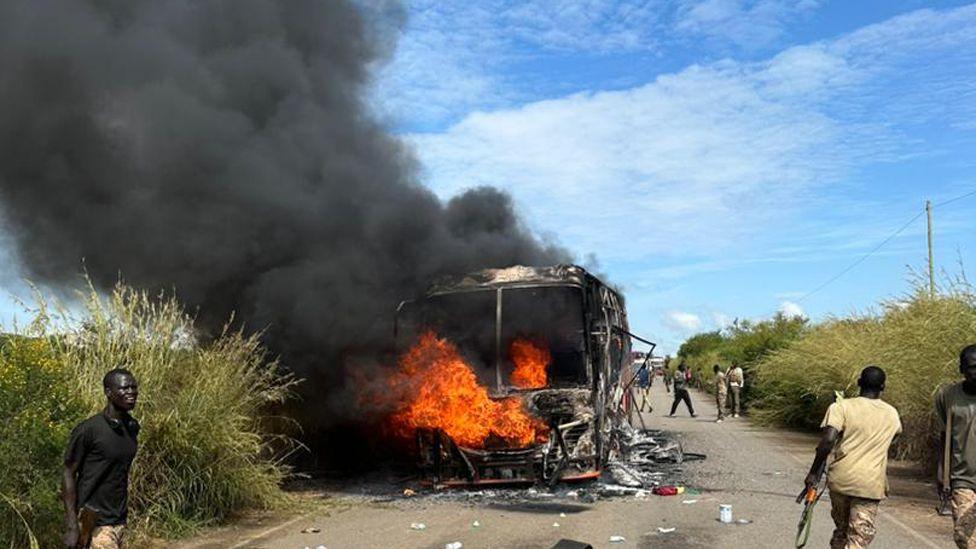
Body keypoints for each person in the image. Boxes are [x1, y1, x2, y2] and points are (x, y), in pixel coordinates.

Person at [799, 366, 901, 549]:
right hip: (870, 483)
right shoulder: (892, 414)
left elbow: (827, 441)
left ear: (859, 383)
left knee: (843, 530)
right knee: (858, 538)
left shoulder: (841, 407)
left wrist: (814, 473)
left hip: (841, 480)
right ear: (883, 387)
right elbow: (895, 437)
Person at [63, 368, 140, 549]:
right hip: (95, 522)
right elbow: (68, 472)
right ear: (108, 393)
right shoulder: (89, 430)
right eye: (124, 388)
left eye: (133, 387)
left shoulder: (132, 428)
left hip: (119, 520)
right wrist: (72, 526)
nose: (131, 392)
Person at [935, 344, 976, 548]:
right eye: (972, 367)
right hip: (963, 479)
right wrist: (942, 473)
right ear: (962, 368)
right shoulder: (947, 396)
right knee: (965, 537)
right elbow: (945, 435)